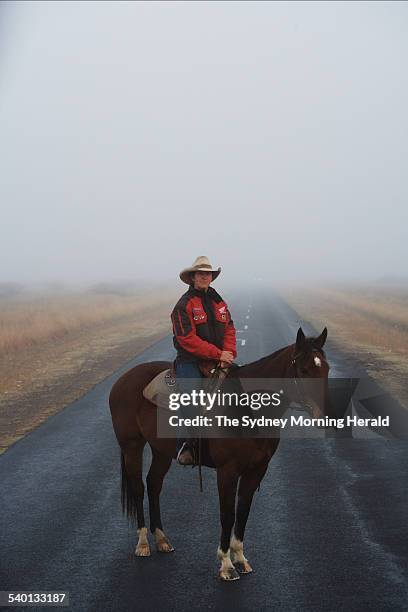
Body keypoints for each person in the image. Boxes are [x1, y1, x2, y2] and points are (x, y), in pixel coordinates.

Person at [171, 256, 237, 465]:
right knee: (190, 400)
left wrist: (228, 354)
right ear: (192, 277)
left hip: (218, 360)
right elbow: (187, 339)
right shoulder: (183, 305)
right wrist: (217, 354)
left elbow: (230, 329)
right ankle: (185, 445)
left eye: (207, 273)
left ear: (212, 277)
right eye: (200, 273)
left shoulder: (219, 302)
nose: (204, 277)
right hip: (189, 361)